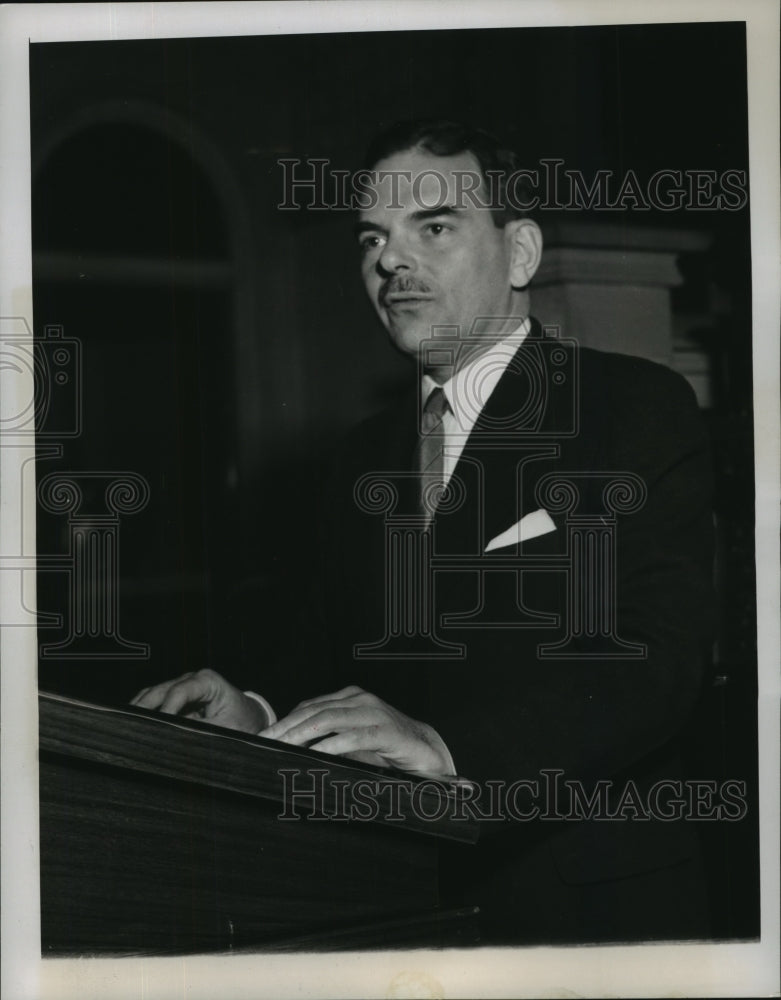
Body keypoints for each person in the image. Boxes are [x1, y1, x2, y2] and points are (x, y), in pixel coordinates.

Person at [132, 120, 714, 944]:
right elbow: (334, 657)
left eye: (432, 227)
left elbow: (660, 661)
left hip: (585, 911)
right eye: (373, 237)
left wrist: (452, 747)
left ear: (519, 255)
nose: (390, 262)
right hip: (394, 907)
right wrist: (257, 711)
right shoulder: (360, 454)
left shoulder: (631, 409)